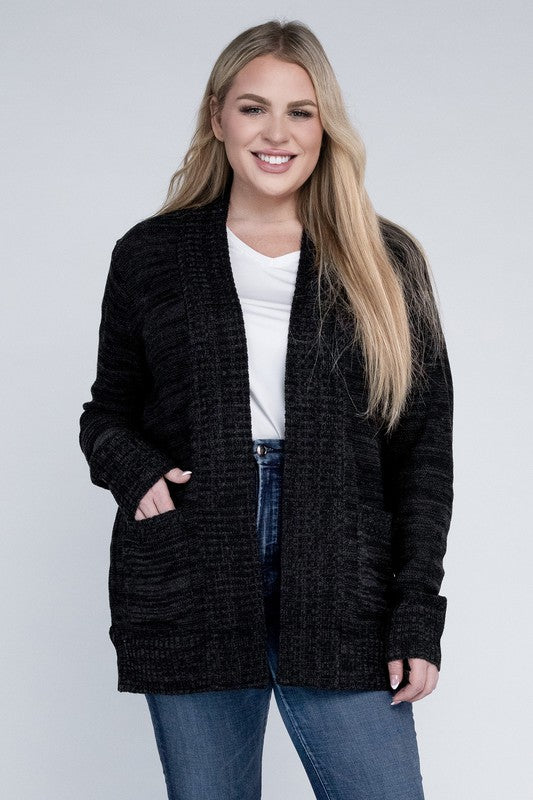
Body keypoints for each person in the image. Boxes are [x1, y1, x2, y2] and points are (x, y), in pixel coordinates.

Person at [79, 18, 454, 800]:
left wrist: (416, 611)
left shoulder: (384, 259)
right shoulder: (152, 254)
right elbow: (106, 412)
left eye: (299, 112)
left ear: (324, 128)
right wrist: (136, 471)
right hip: (194, 556)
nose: (275, 133)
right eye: (253, 108)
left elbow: (421, 450)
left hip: (341, 567)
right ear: (217, 117)